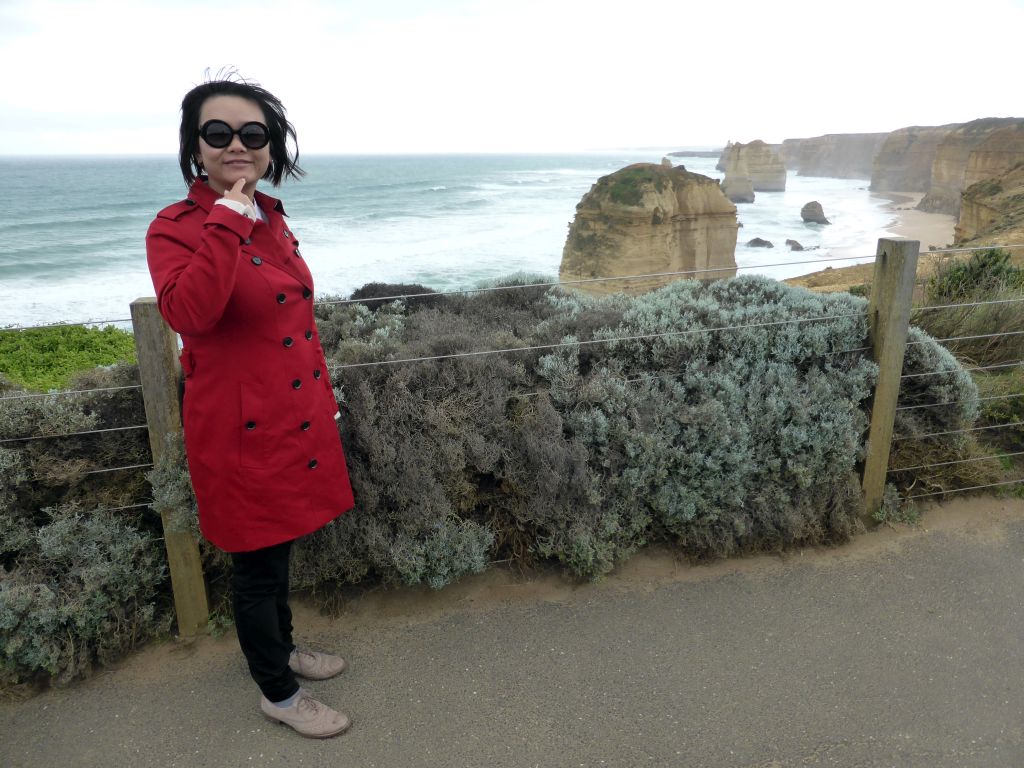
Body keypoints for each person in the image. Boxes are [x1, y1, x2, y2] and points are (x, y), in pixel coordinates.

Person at [146, 77, 355, 739]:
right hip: (240, 431)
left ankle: (282, 649)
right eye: (218, 133)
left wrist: (324, 403)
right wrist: (227, 223)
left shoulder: (273, 216)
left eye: (253, 133)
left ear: (270, 148)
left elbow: (294, 325)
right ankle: (279, 692)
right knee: (256, 561)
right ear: (196, 148)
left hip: (294, 417)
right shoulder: (177, 228)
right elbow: (189, 312)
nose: (237, 144)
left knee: (279, 546)